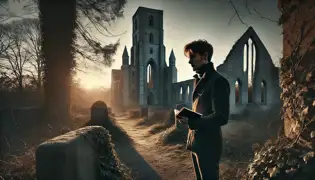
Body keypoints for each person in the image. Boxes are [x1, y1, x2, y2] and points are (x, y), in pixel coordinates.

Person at [177, 40, 230, 180]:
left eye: (192, 57)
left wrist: (192, 122)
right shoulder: (200, 80)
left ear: (205, 56)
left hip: (209, 145)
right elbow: (203, 110)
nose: (189, 62)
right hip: (196, 142)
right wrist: (188, 117)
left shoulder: (218, 81)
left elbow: (221, 117)